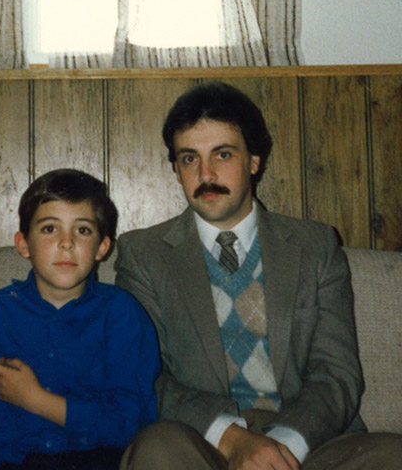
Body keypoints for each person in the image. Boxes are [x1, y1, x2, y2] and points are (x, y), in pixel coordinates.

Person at [115, 81, 402, 470]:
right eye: (189, 158)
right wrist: (233, 440)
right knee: (156, 448)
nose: (205, 173)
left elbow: (336, 374)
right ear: (177, 170)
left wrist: (281, 449)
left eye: (223, 154)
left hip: (308, 441)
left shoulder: (315, 245)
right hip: (202, 441)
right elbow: (147, 376)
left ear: (253, 161)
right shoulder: (144, 254)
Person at [0, 168, 160, 470]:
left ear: (102, 247)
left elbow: (131, 423)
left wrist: (37, 400)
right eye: (50, 228)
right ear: (23, 244)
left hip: (97, 461)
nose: (66, 243)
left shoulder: (122, 315)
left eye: (82, 230)